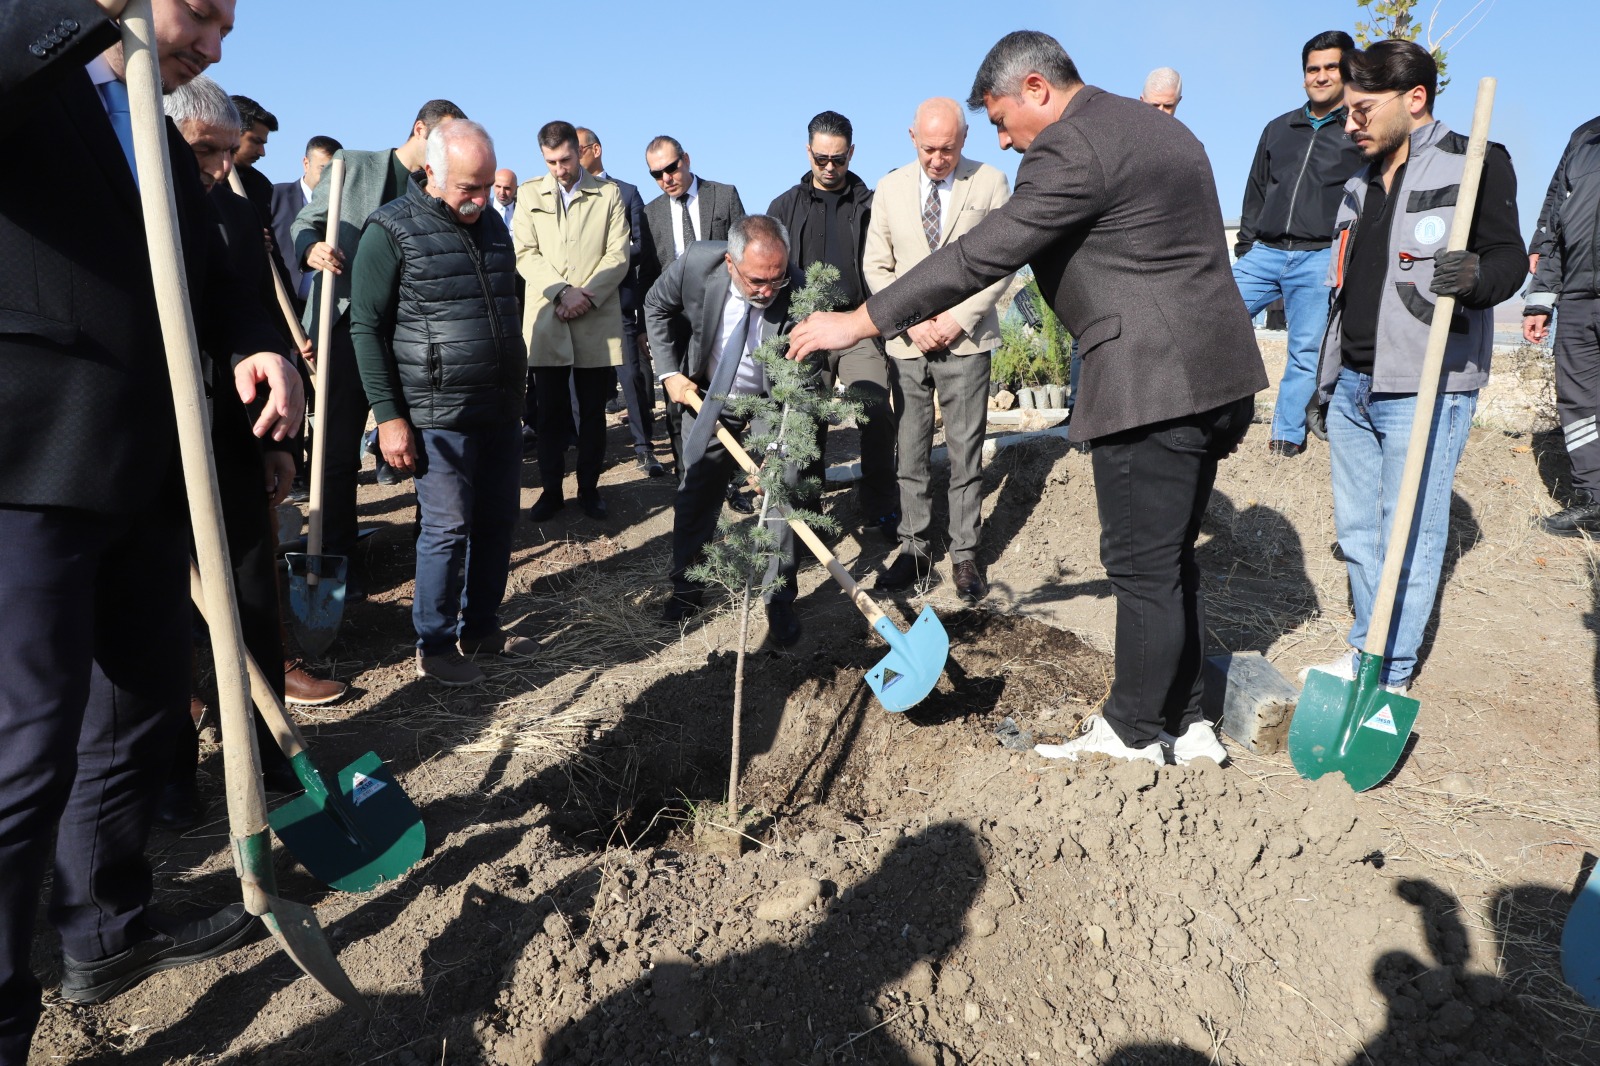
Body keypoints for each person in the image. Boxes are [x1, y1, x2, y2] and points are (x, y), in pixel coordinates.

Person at [789, 31, 1266, 767]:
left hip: (1150, 383)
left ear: (1037, 88)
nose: (1007, 144)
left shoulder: (1072, 146)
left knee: (1141, 566)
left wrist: (859, 319)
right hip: (1214, 373)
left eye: (1003, 122)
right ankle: (1188, 720)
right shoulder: (1153, 129)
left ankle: (1132, 732)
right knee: (1171, 559)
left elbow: (982, 252)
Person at [0, 2, 304, 1058]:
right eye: (202, 13)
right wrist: (80, 15)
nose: (214, 48)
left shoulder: (154, 129)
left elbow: (217, 275)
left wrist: (264, 341)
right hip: (25, 460)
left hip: (139, 466)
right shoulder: (40, 65)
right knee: (22, 742)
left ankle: (107, 932)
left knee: (131, 710)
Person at [1303, 40, 1524, 692]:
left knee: (1413, 536)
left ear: (1415, 99)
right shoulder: (1359, 181)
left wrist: (1479, 275)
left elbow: (1508, 258)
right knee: (1362, 535)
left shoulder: (1475, 160)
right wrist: (1323, 381)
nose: (1350, 124)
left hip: (1424, 387)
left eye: (1363, 110)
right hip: (1353, 385)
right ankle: (1366, 650)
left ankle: (1391, 676)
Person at [350, 120, 533, 687]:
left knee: (499, 520)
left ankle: (482, 625)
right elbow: (365, 327)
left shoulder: (494, 231)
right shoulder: (390, 231)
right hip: (436, 416)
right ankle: (435, 642)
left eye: (486, 188)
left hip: (499, 408)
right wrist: (389, 416)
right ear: (431, 173)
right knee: (447, 529)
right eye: (467, 190)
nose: (480, 201)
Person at [292, 98, 468, 601]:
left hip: (408, 332)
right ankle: (336, 554)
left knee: (419, 440)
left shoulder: (432, 189)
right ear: (420, 129)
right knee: (335, 447)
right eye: (444, 138)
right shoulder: (357, 165)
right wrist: (311, 248)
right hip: (344, 325)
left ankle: (429, 543)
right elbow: (306, 220)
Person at [864, 97, 1012, 602]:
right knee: (910, 448)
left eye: (947, 149)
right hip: (908, 346)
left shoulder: (990, 183)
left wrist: (956, 318)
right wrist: (912, 323)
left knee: (966, 452)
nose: (936, 159)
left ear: (964, 141)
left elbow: (1002, 263)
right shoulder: (889, 189)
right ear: (912, 138)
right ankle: (914, 548)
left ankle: (965, 553)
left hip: (966, 340)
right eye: (928, 149)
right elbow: (876, 268)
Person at [645, 216, 806, 646]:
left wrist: (773, 447)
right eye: (757, 280)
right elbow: (655, 306)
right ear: (731, 263)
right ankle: (687, 591)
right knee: (695, 485)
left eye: (777, 279)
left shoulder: (799, 285)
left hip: (771, 397)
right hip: (708, 392)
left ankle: (779, 599)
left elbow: (802, 376)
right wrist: (667, 374)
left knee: (781, 483)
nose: (768, 291)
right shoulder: (697, 264)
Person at [1232, 30, 1366, 458]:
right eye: (1313, 69)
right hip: (1265, 253)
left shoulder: (1359, 130)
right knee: (1213, 319)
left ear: (1347, 72)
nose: (1321, 76)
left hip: (1318, 256)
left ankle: (1286, 436)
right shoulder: (1278, 128)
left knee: (1306, 349)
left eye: (1331, 67)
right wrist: (1247, 247)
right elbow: (1255, 191)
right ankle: (1207, 412)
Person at [768, 111, 899, 541]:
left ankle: (881, 509)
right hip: (804, 331)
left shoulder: (871, 204)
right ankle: (808, 521)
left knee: (875, 410)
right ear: (808, 151)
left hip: (856, 325)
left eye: (838, 159)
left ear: (851, 153)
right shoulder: (784, 207)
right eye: (821, 158)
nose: (829, 167)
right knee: (805, 423)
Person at [516, 120, 629, 522]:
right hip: (548, 317)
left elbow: (617, 254)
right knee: (548, 414)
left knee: (594, 414)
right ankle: (550, 492)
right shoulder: (528, 194)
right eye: (551, 161)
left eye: (565, 159)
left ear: (578, 152)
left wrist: (586, 296)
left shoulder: (609, 194)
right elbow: (525, 252)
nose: (559, 168)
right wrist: (562, 292)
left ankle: (589, 491)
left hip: (595, 320)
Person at [639, 135, 747, 492]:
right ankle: (687, 481)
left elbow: (743, 253)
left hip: (722, 317)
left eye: (671, 168)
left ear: (685, 159)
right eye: (657, 174)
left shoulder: (723, 195)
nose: (666, 178)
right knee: (678, 401)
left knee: (727, 398)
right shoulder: (650, 213)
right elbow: (649, 275)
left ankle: (730, 483)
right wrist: (646, 329)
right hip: (676, 323)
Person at [1524, 117, 1600, 536]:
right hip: (1577, 296)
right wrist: (1540, 297)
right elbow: (1552, 222)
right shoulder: (1584, 137)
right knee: (1579, 400)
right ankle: (1594, 499)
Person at [578, 126, 665, 477]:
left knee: (631, 377)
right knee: (585, 386)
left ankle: (645, 448)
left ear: (595, 150)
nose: (573, 157)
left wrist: (605, 256)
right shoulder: (567, 198)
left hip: (618, 303)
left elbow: (641, 246)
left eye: (578, 149)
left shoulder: (627, 193)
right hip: (580, 305)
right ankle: (588, 451)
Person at [271, 134, 342, 305]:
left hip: (326, 308)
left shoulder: (346, 206)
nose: (330, 178)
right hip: (282, 303)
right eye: (323, 169)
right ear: (306, 164)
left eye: (336, 171)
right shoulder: (275, 196)